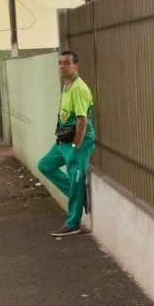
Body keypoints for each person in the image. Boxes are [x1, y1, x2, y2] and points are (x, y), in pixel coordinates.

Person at [37, 50, 95, 237]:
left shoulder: (79, 88)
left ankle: (73, 224)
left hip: (78, 142)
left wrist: (76, 146)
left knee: (76, 177)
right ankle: (77, 194)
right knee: (45, 165)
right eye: (60, 63)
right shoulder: (67, 85)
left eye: (67, 63)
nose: (62, 66)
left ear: (76, 66)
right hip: (64, 140)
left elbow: (82, 120)